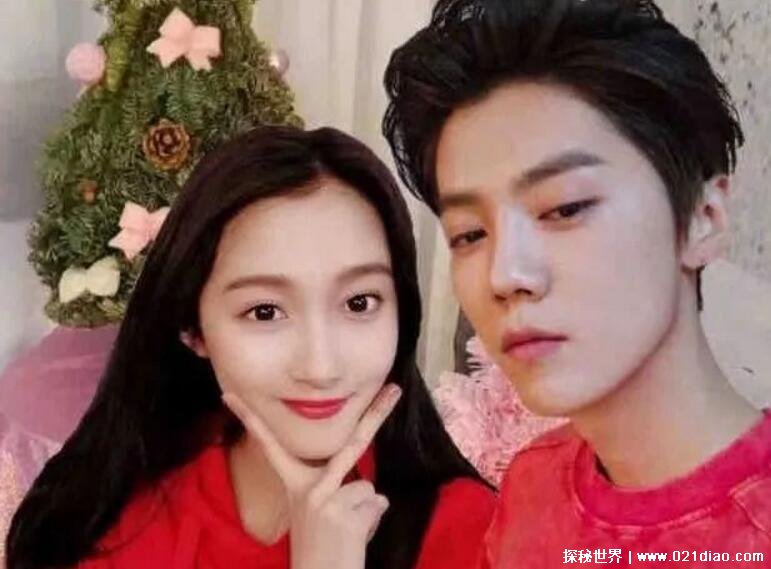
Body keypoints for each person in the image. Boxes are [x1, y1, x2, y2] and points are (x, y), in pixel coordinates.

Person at [383, 0, 771, 566]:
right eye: (469, 234)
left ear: (702, 219)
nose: (505, 275)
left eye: (565, 208)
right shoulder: (531, 486)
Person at [6, 126, 495, 569]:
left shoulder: (479, 535)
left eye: (359, 303)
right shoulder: (115, 531)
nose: (321, 366)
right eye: (264, 312)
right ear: (193, 329)